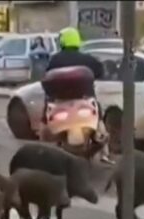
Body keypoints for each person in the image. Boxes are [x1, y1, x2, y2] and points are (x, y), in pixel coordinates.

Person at [44, 27, 114, 164]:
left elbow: (47, 78)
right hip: (85, 101)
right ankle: (105, 153)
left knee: (47, 113)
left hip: (61, 103)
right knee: (99, 116)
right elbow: (100, 71)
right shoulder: (87, 59)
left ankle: (45, 143)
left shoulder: (55, 60)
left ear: (62, 41)